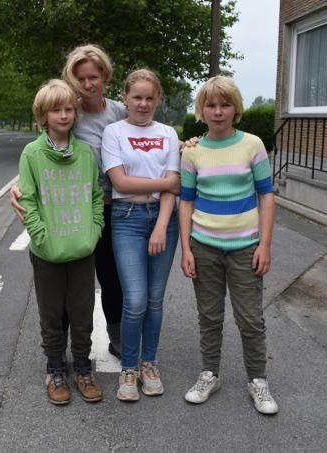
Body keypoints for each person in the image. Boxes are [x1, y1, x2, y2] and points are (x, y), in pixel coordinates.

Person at [11, 44, 126, 358]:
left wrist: (184, 144)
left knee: (113, 278)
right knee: (68, 287)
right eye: (81, 79)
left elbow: (147, 136)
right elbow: (48, 153)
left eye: (94, 77)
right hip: (77, 212)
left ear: (105, 75)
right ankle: (58, 352)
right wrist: (22, 182)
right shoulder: (68, 111)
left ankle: (116, 336)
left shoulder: (119, 111)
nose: (88, 84)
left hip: (118, 207)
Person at [179, 75, 278, 415]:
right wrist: (186, 249)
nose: (218, 111)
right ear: (201, 110)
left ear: (235, 108)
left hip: (245, 247)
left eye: (225, 104)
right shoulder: (192, 152)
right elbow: (186, 202)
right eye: (211, 105)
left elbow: (266, 195)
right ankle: (210, 373)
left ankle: (258, 381)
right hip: (204, 246)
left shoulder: (253, 145)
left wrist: (264, 244)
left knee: (250, 319)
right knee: (209, 317)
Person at [18, 79, 104, 405]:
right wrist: (41, 236)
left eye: (69, 109)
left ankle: (82, 367)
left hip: (82, 249)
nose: (64, 115)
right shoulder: (32, 154)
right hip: (47, 252)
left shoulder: (84, 153)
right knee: (52, 315)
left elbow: (96, 196)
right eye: (56, 110)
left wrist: (94, 230)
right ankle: (56, 368)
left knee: (83, 313)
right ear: (43, 115)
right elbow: (28, 201)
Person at [101, 69, 180, 402]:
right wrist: (164, 183)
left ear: (157, 99)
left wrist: (162, 225)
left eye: (150, 98)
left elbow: (174, 186)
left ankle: (150, 363)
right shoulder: (113, 132)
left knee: (155, 298)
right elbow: (120, 182)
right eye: (137, 97)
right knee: (134, 299)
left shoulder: (169, 134)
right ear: (126, 98)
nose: (143, 104)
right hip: (127, 218)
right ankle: (129, 367)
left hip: (164, 219)